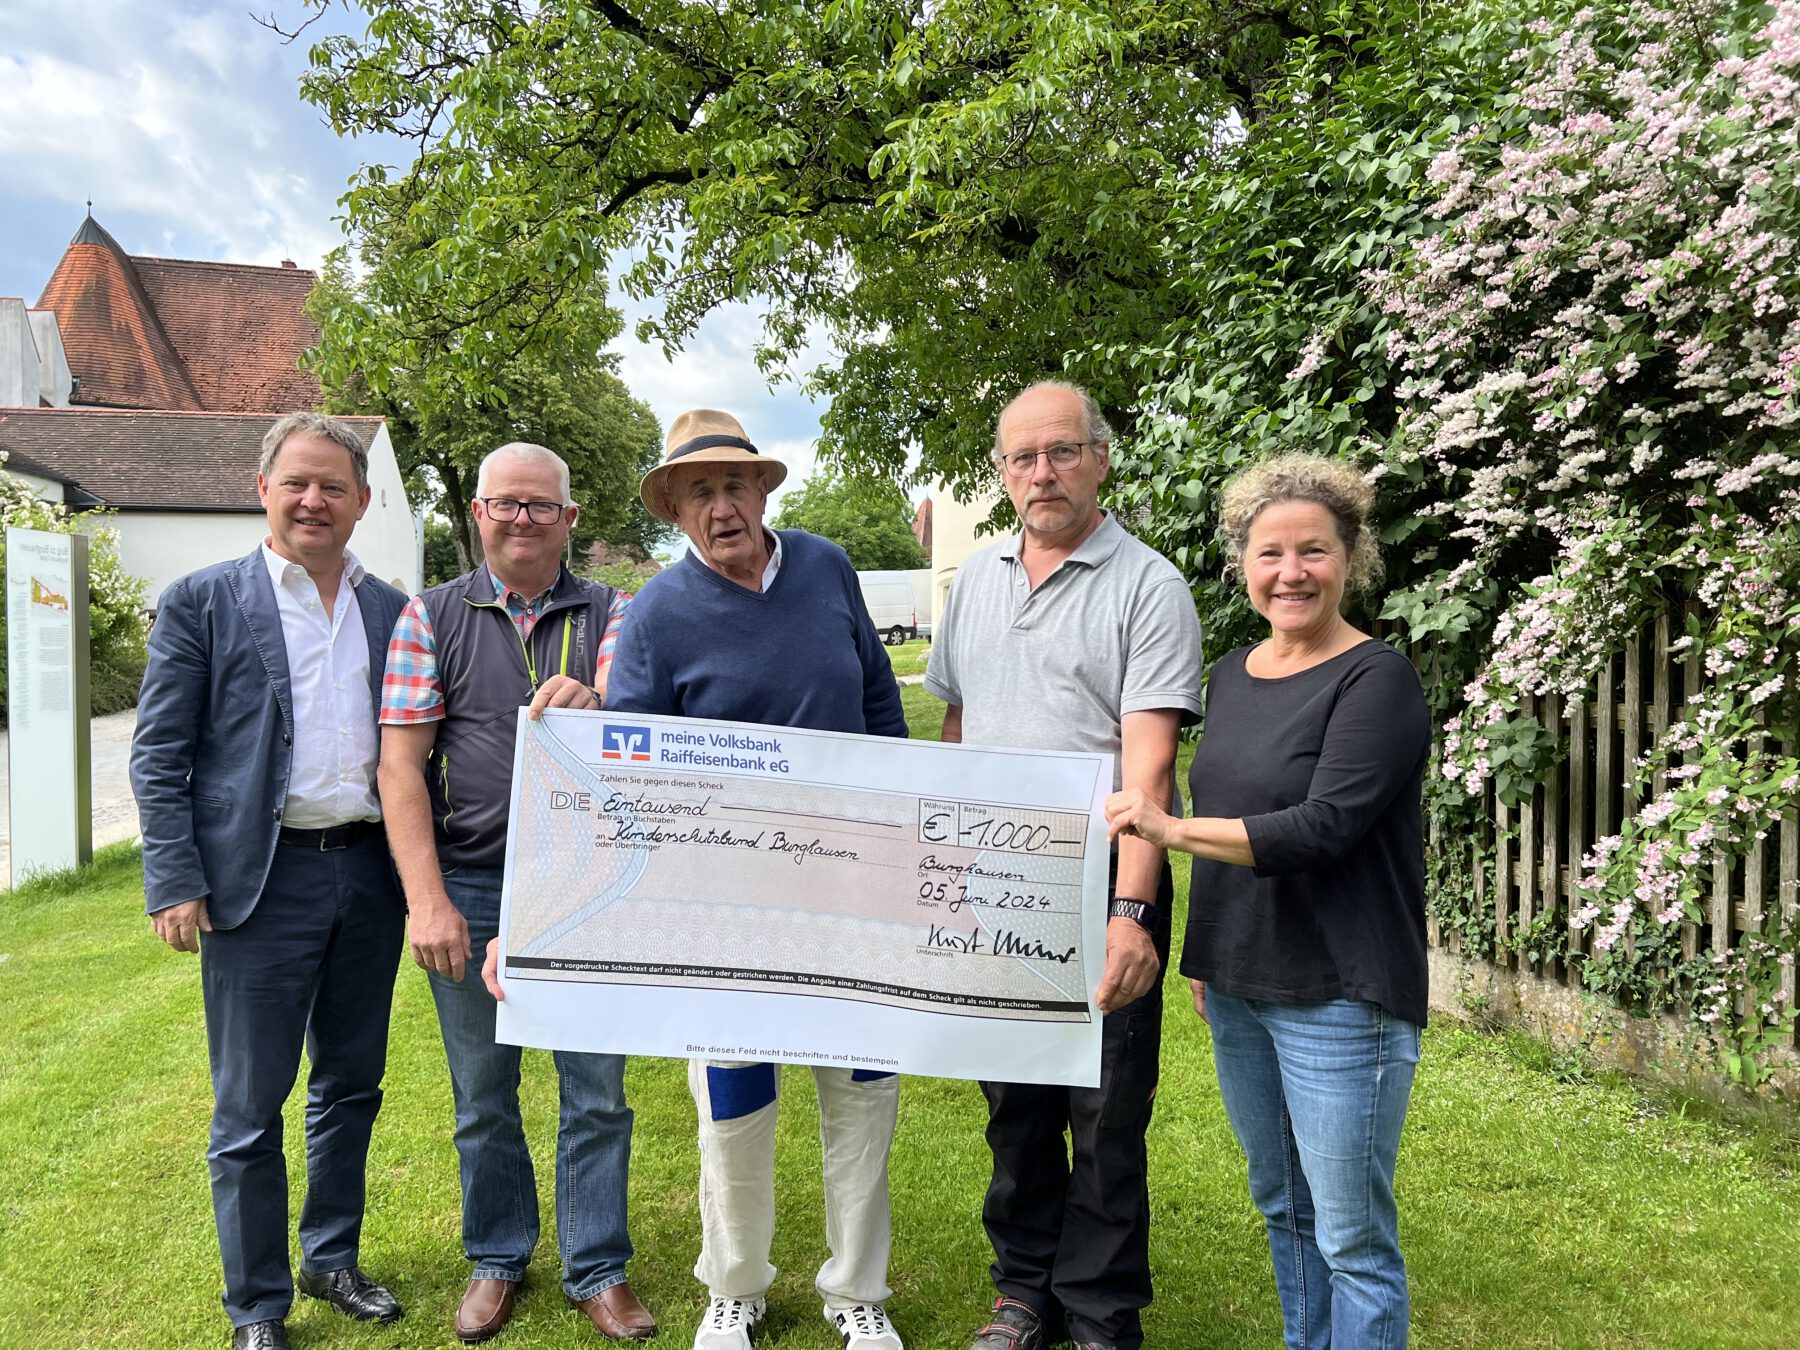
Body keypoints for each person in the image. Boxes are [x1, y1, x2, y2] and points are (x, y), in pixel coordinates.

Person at [595, 409, 909, 1350]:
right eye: (699, 493)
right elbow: (635, 763)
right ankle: (734, 1287)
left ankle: (857, 1292)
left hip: (853, 884)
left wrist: (902, 826)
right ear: (675, 512)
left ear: (764, 491)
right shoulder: (655, 612)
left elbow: (879, 697)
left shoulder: (827, 567)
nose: (721, 506)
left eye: (735, 484)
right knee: (734, 1097)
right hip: (725, 900)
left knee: (862, 1088)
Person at [1105, 454, 1430, 1349]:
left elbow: (1322, 827)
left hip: (1342, 993)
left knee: (1352, 1237)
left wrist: (1168, 830)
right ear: (1244, 564)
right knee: (1284, 1206)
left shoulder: (1377, 679)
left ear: (1351, 558)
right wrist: (1210, 954)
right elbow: (1234, 808)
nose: (1291, 572)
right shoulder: (1234, 673)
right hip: (1241, 987)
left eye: (1313, 551)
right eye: (1270, 553)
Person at [925, 381, 1204, 1350]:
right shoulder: (975, 583)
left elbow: (1150, 771)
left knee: (1107, 1114)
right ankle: (1023, 1293)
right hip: (995, 887)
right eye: (1022, 458)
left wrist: (1133, 915)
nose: (1042, 472)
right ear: (1004, 475)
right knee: (1014, 1108)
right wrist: (947, 873)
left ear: (1101, 459)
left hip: (1101, 886)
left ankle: (1098, 1313)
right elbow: (957, 730)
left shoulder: (1148, 587)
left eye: (1062, 451)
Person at [130, 412, 410, 1350]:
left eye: (333, 486)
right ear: (263, 490)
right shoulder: (203, 601)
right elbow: (159, 754)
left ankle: (332, 1258)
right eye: (296, 482)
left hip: (369, 876)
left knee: (351, 1083)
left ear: (362, 502)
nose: (313, 500)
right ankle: (257, 1305)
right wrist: (175, 876)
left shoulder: (392, 610)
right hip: (259, 884)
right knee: (249, 1109)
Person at [377, 442, 654, 1343]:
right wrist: (427, 900)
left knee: (596, 1091)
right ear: (478, 513)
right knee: (483, 1094)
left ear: (570, 519)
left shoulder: (617, 610)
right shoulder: (429, 616)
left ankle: (597, 1268)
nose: (522, 519)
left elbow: (646, 721)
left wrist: (602, 700)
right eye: (506, 503)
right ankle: (497, 1257)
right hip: (471, 879)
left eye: (541, 505)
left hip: (588, 883)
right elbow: (400, 767)